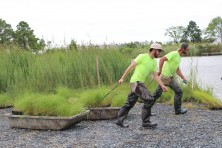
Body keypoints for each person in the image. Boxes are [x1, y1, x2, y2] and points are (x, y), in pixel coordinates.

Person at [116, 43, 168, 128]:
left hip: (140, 83)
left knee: (130, 102)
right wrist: (122, 78)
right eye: (159, 51)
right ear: (154, 50)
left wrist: (162, 85)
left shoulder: (154, 62)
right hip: (136, 82)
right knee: (150, 99)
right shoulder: (142, 56)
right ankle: (146, 122)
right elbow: (131, 67)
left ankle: (119, 121)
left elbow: (155, 76)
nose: (160, 53)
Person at [152, 42, 189, 115]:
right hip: (167, 77)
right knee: (179, 91)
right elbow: (162, 59)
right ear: (183, 48)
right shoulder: (174, 54)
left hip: (165, 77)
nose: (188, 50)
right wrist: (159, 71)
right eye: (187, 49)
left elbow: (177, 70)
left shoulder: (178, 57)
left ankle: (147, 109)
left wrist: (183, 78)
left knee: (156, 94)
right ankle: (178, 110)